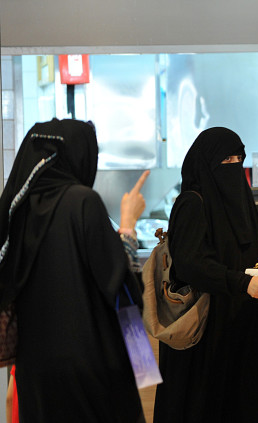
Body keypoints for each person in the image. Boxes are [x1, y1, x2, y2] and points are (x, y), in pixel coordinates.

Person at [153, 127, 258, 423]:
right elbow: (192, 264)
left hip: (248, 325)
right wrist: (242, 283)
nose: (233, 165)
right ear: (205, 163)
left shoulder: (242, 202)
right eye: (226, 160)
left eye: (238, 159)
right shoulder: (192, 203)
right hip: (208, 333)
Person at [0, 119, 149, 422]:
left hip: (34, 374)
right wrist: (128, 225)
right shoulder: (82, 201)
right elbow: (119, 288)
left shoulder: (19, 209)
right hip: (90, 370)